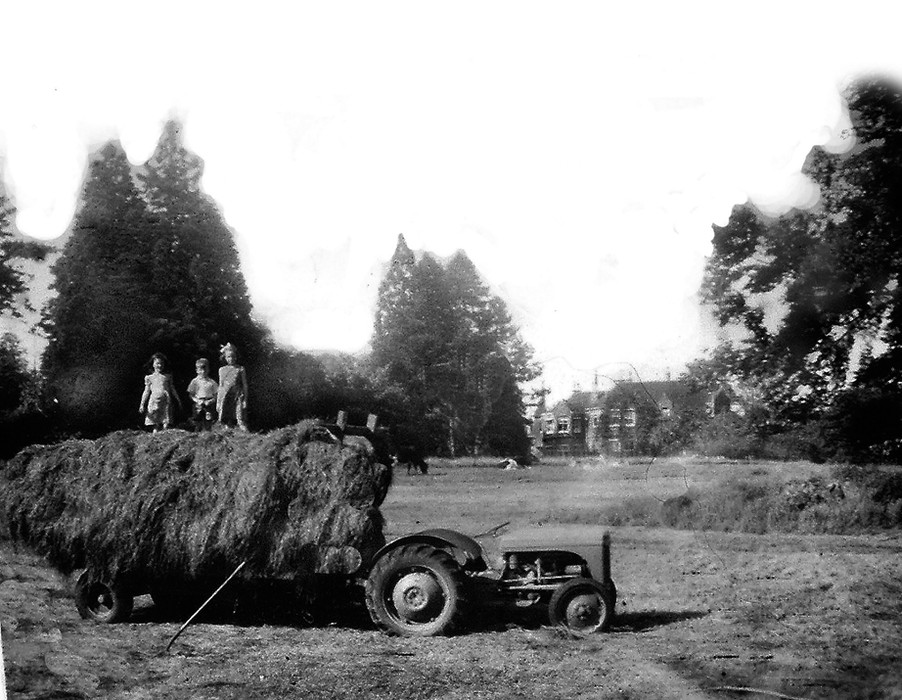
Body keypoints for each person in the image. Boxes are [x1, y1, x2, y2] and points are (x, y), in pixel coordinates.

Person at [139, 352, 181, 433]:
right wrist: (142, 404)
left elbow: (172, 388)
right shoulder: (149, 377)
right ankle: (155, 437)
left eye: (162, 363)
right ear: (153, 364)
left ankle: (164, 435)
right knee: (155, 423)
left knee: (166, 421)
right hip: (154, 402)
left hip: (165, 401)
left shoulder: (167, 377)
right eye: (157, 363)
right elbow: (146, 391)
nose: (160, 365)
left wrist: (178, 399)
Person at [217, 342, 249, 430]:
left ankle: (244, 433)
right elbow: (221, 386)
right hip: (226, 396)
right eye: (229, 357)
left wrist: (245, 399)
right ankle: (228, 431)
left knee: (240, 417)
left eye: (233, 356)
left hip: (237, 395)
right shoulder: (222, 370)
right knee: (226, 417)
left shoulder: (240, 369)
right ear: (225, 358)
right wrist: (218, 402)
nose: (231, 359)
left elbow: (245, 384)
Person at [187, 357, 219, 431]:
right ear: (197, 370)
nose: (203, 371)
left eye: (205, 369)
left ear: (208, 370)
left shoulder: (212, 382)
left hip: (208, 403)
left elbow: (216, 395)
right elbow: (191, 394)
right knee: (197, 421)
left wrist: (211, 401)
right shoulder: (194, 382)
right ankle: (197, 435)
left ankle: (208, 435)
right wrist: (197, 400)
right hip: (198, 403)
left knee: (209, 421)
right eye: (201, 370)